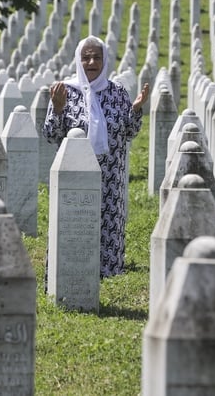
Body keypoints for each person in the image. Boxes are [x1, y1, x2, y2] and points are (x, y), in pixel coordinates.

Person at [43, 36, 150, 278]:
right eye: (86, 57)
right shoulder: (65, 91)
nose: (92, 62)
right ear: (78, 60)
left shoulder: (117, 92)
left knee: (108, 222)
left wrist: (135, 110)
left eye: (97, 57)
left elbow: (130, 132)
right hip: (74, 175)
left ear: (105, 60)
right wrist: (57, 109)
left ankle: (108, 275)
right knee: (73, 223)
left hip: (110, 175)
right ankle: (69, 273)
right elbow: (51, 135)